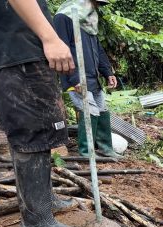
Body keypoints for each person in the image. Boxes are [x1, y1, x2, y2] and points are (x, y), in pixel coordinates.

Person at [0, 0, 83, 227]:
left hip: (21, 47)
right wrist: (50, 38)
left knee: (40, 128)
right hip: (16, 50)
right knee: (32, 130)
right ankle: (37, 220)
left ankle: (44, 199)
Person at [53, 0, 120, 158]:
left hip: (93, 77)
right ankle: (86, 151)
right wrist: (74, 78)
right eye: (94, 3)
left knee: (102, 110)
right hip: (75, 78)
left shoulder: (88, 23)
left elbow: (98, 49)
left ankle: (105, 148)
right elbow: (62, 50)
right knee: (89, 111)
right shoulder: (63, 18)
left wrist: (107, 72)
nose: (95, 8)